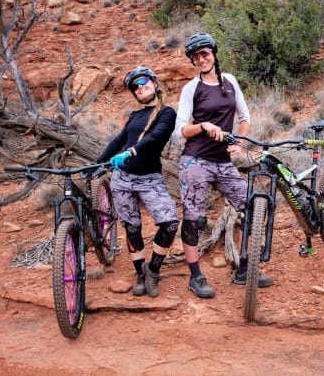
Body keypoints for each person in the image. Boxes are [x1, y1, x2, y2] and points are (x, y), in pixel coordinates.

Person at [174, 33, 273, 299]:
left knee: (251, 206)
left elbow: (245, 117)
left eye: (204, 53)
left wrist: (239, 143)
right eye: (195, 56)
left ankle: (244, 268)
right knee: (194, 219)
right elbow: (179, 129)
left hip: (223, 162)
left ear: (214, 53)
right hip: (195, 160)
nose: (201, 59)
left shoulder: (229, 81)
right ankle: (196, 276)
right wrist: (203, 126)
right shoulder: (191, 88)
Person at [97, 66, 179, 298]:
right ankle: (140, 275)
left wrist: (130, 152)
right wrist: (98, 163)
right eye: (135, 87)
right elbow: (118, 141)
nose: (139, 87)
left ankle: (153, 269)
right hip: (122, 179)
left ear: (154, 83)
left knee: (170, 223)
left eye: (143, 82)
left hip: (150, 179)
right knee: (132, 227)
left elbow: (155, 137)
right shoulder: (135, 116)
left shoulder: (166, 113)